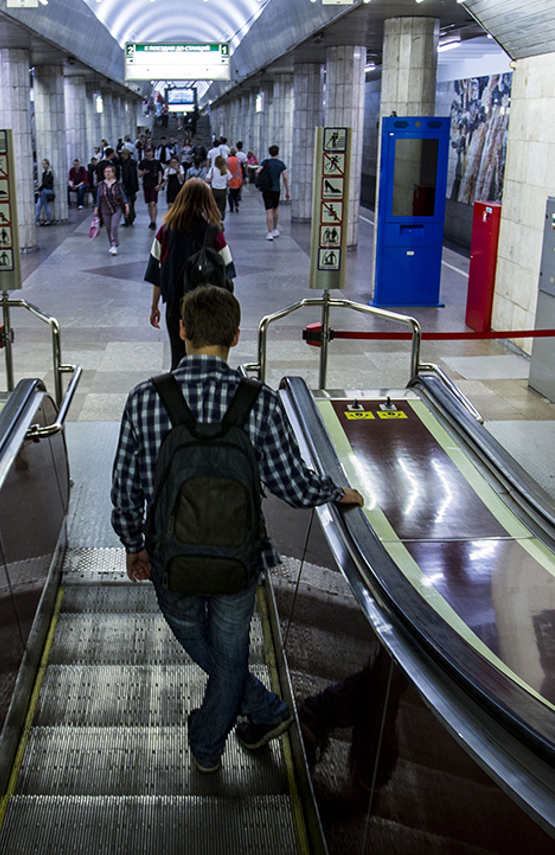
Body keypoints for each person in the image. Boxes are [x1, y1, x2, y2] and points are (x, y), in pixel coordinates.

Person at [112, 285, 365, 774]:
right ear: (235, 336)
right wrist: (336, 491)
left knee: (211, 653)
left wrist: (133, 546)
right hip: (239, 564)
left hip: (170, 563)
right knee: (228, 656)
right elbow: (291, 484)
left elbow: (125, 489)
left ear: (181, 330)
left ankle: (211, 742)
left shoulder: (146, 398)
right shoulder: (261, 403)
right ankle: (264, 713)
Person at [146, 179, 232, 368]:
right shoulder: (214, 232)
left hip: (176, 307)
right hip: (209, 305)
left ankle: (178, 395)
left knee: (178, 359)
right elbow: (228, 270)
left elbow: (157, 275)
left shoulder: (165, 232)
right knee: (210, 359)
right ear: (207, 201)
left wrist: (154, 306)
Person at [96, 161, 129, 255]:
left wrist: (126, 205)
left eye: (109, 171)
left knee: (114, 226)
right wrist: (96, 208)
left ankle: (114, 244)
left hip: (117, 207)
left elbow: (123, 195)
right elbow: (98, 197)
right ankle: (112, 245)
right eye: (106, 172)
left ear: (113, 173)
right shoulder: (101, 184)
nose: (107, 173)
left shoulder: (118, 184)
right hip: (105, 208)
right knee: (108, 227)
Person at [259, 145, 290, 240]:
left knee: (268, 210)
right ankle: (275, 229)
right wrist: (287, 191)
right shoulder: (281, 164)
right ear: (278, 152)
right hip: (276, 189)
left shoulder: (265, 162)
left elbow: (258, 171)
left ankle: (269, 232)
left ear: (269, 152)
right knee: (275, 210)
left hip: (267, 189)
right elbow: (284, 177)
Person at [139, 148, 162, 229]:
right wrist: (143, 172)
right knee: (149, 203)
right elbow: (139, 174)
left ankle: (154, 221)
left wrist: (159, 184)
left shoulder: (156, 162)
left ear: (152, 153)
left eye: (150, 153)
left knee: (153, 203)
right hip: (146, 184)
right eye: (147, 153)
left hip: (154, 184)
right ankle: (151, 220)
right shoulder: (143, 162)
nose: (149, 154)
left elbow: (160, 173)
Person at [120, 149, 140, 227]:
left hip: (128, 188)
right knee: (131, 203)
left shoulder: (126, 164)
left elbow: (127, 177)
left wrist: (124, 186)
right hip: (132, 187)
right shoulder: (132, 163)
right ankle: (130, 217)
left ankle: (128, 218)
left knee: (127, 203)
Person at [35, 157, 55, 225]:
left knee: (45, 205)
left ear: (48, 164)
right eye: (43, 164)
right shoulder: (44, 173)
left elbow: (45, 183)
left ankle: (48, 220)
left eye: (45, 164)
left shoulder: (49, 173)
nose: (44, 165)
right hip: (44, 191)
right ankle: (36, 220)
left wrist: (39, 190)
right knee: (38, 206)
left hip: (46, 191)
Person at [225, 144, 244, 213]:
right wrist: (244, 177)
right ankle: (236, 204)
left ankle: (231, 207)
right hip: (238, 179)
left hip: (229, 179)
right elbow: (242, 169)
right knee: (236, 193)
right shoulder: (239, 160)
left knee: (230, 194)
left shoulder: (226, 160)